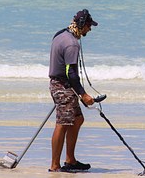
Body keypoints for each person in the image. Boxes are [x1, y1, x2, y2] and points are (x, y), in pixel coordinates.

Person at [48, 9, 98, 172]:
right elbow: (71, 72)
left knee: (77, 119)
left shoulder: (60, 34)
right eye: (89, 26)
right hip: (62, 87)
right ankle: (55, 166)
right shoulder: (72, 44)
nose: (90, 29)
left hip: (61, 84)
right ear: (82, 25)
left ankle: (70, 160)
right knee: (62, 123)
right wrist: (83, 95)